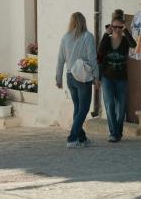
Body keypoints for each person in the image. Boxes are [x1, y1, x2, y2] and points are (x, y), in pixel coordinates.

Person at [55, 12, 99, 148]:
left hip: (70, 76)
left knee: (78, 108)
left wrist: (58, 78)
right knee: (83, 109)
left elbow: (60, 59)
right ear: (83, 21)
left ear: (72, 22)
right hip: (82, 77)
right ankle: (72, 139)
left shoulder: (65, 37)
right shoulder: (88, 36)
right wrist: (96, 76)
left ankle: (82, 138)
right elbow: (92, 57)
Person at [98, 9, 136, 142]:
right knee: (110, 106)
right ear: (111, 27)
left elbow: (134, 45)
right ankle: (113, 133)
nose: (117, 29)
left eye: (120, 27)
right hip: (107, 77)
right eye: (114, 27)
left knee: (121, 108)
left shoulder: (125, 40)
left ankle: (118, 132)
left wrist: (126, 31)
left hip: (121, 78)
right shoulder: (107, 40)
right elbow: (100, 50)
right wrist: (105, 34)